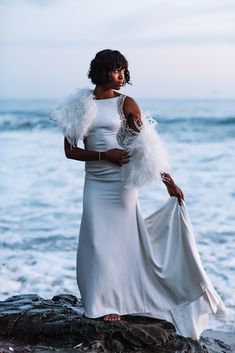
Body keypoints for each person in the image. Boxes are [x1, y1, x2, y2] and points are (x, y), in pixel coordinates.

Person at [50, 49, 226, 339]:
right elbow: (70, 151)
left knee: (121, 243)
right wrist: (103, 155)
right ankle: (99, 299)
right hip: (96, 181)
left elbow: (146, 147)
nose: (123, 77)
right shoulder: (78, 104)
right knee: (96, 241)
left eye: (124, 71)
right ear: (103, 71)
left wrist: (167, 180)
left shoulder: (127, 104)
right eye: (117, 70)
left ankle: (119, 300)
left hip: (122, 184)